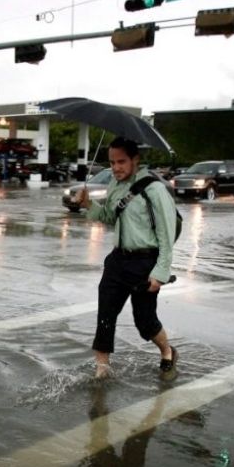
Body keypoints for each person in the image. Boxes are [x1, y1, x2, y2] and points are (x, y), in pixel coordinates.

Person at [75, 136, 178, 380]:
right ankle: (102, 372)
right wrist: (89, 204)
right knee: (105, 317)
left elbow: (166, 233)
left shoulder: (154, 189)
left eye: (121, 162)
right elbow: (111, 218)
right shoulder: (115, 185)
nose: (116, 167)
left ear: (135, 160)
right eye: (112, 162)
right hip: (117, 261)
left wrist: (161, 272)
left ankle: (167, 351)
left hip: (145, 263)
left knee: (145, 321)